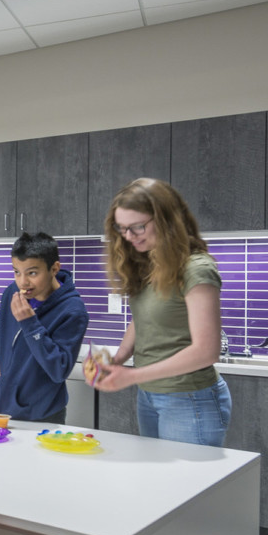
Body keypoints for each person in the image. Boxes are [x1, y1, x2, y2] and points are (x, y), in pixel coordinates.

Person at [90, 177, 231, 446]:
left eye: (138, 227)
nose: (129, 237)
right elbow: (143, 319)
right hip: (150, 394)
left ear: (167, 220)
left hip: (190, 399)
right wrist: (118, 358)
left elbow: (206, 350)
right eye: (122, 229)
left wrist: (132, 375)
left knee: (190, 486)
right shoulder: (150, 265)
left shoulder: (196, 269)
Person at [0, 231, 88, 424]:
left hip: (42, 415)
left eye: (32, 273)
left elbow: (59, 370)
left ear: (54, 268)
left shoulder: (73, 311)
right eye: (17, 271)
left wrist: (30, 324)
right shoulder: (12, 292)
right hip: (3, 407)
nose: (23, 282)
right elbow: (0, 330)